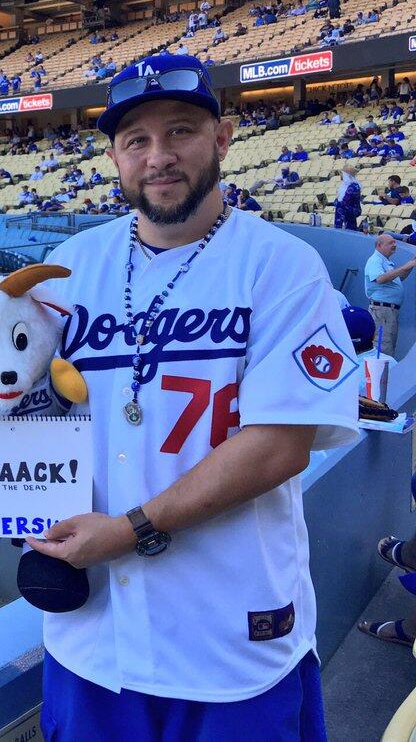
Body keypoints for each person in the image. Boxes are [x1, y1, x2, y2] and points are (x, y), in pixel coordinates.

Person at [34, 53, 357, 738]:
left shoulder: (281, 266)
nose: (159, 157)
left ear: (222, 137)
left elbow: (279, 445)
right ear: (116, 156)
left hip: (233, 646)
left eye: (180, 131)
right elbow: (11, 399)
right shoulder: (68, 271)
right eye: (136, 141)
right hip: (94, 640)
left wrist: (130, 530)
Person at [364, 232, 415, 356]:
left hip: (388, 312)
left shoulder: (386, 262)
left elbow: (400, 277)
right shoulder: (375, 260)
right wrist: (403, 267)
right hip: (382, 311)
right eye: (391, 242)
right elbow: (380, 278)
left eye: (395, 242)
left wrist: (411, 264)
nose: (395, 244)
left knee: (388, 346)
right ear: (379, 245)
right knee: (382, 348)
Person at [334, 164, 362, 230]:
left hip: (353, 209)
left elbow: (345, 200)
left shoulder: (354, 186)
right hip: (347, 208)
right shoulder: (345, 185)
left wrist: (336, 203)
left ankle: (338, 227)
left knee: (339, 206)